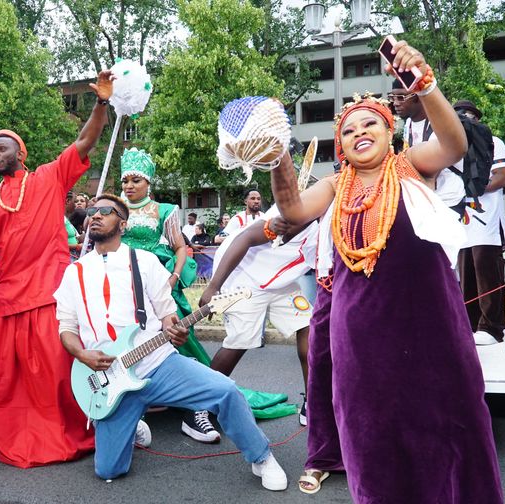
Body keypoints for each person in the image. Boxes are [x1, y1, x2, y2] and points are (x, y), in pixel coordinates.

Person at [269, 40, 502, 502]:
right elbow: (291, 206)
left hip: (431, 327)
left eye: (370, 122)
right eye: (349, 129)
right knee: (373, 434)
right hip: (361, 339)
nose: (360, 131)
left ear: (389, 130)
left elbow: (454, 143)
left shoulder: (412, 166)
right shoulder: (335, 185)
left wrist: (425, 84)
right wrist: (277, 155)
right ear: (341, 143)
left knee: (448, 424)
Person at [54, 194, 288, 491]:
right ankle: (134, 426)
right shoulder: (73, 273)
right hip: (111, 381)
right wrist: (81, 353)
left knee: (226, 391)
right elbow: (66, 327)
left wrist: (175, 330)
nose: (95, 215)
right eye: (92, 211)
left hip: (158, 363)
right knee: (108, 470)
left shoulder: (145, 262)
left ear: (123, 224)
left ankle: (262, 456)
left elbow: (167, 316)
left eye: (105, 211)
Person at [0, 70, 115, 467]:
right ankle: (4, 428)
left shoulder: (49, 177)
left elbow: (85, 141)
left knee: (52, 369)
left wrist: (100, 103)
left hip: (51, 291)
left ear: (20, 153)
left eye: (1, 149)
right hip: (8, 293)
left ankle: (66, 426)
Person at [118, 148, 218, 443]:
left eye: (136, 180)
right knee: (127, 339)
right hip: (122, 282)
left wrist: (173, 277)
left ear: (148, 182)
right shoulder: (114, 207)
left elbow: (179, 247)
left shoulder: (165, 210)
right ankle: (132, 398)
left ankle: (196, 402)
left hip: (158, 280)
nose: (129, 186)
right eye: (125, 181)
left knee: (175, 334)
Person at [197, 207, 317, 429]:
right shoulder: (300, 210)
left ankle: (312, 403)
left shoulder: (336, 221)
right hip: (244, 278)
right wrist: (214, 287)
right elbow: (246, 237)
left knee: (308, 327)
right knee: (241, 341)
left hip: (280, 282)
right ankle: (197, 408)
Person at [453, 100, 505, 345]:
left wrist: (476, 186)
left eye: (467, 115)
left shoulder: (493, 141)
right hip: (462, 222)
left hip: (487, 221)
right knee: (465, 275)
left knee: (487, 272)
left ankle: (492, 326)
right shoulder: (452, 146)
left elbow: (504, 176)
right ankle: (471, 323)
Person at [390, 80, 466, 213]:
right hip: (427, 198)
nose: (395, 103)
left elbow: (430, 173)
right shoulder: (408, 123)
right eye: (392, 97)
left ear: (418, 96)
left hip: (448, 199)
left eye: (401, 97)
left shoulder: (439, 124)